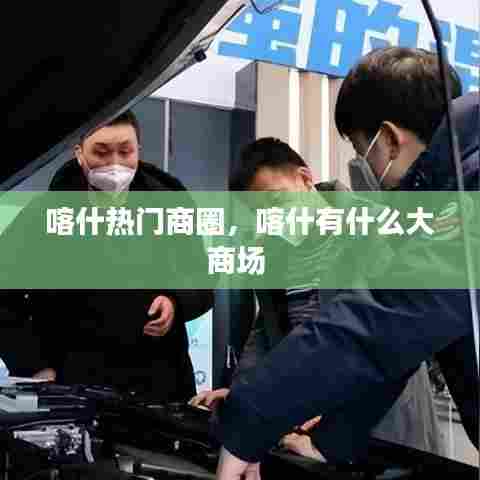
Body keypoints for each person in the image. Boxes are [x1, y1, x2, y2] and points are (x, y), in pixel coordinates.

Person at [214, 47, 478, 479]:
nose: (362, 165)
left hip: (389, 428)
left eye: (361, 149)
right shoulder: (452, 197)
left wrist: (251, 416)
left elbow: (384, 321)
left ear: (389, 139)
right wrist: (330, 440)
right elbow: (392, 332)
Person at [190, 137, 445, 459]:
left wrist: (331, 408)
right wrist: (243, 397)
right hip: (308, 421)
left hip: (380, 418)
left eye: (276, 202)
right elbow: (267, 332)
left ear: (305, 178)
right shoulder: (273, 251)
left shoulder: (375, 227)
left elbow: (388, 332)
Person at [28, 110, 213, 402]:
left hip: (161, 383)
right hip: (75, 383)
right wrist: (36, 364)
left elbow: (202, 280)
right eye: (101, 153)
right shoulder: (45, 215)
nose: (114, 164)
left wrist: (176, 300)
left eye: (125, 152)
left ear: (139, 150)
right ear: (79, 153)